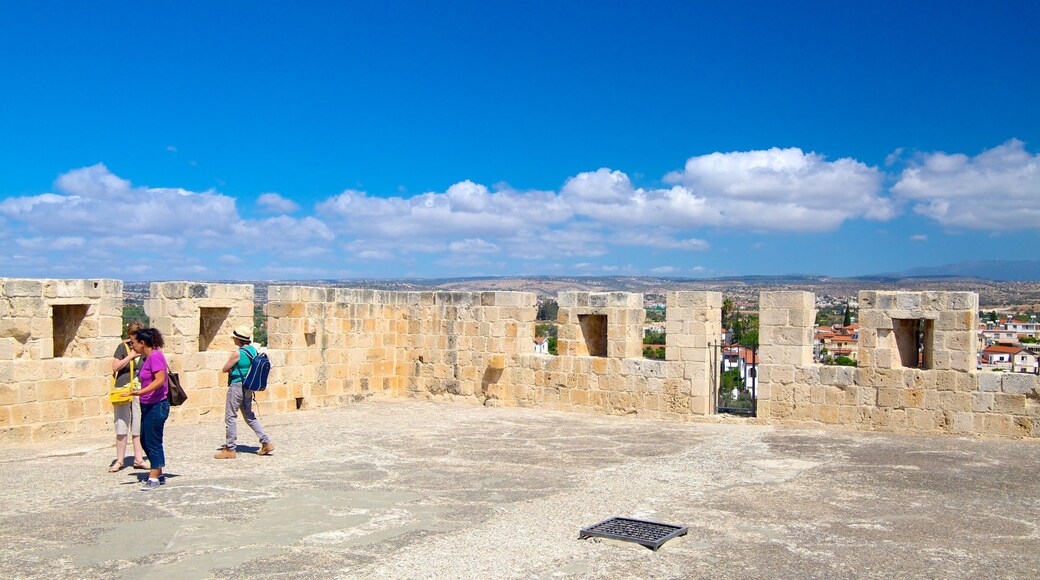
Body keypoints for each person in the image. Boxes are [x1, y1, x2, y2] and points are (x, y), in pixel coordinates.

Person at [215, 325, 274, 459]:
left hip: (237, 386)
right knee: (249, 416)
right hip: (248, 386)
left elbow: (225, 368)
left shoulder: (238, 353)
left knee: (230, 416)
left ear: (238, 339)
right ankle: (266, 442)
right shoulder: (253, 350)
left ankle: (230, 448)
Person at [130, 328, 170, 490]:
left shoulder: (155, 356)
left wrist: (140, 392)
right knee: (145, 439)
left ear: (142, 343)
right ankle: (158, 470)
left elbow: (160, 380)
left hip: (157, 404)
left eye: (133, 343)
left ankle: (154, 476)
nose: (132, 346)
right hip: (147, 403)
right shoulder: (146, 358)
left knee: (153, 440)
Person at [110, 321, 147, 472]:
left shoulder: (145, 348)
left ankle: (139, 458)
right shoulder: (122, 347)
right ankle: (120, 460)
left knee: (137, 425)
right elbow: (115, 367)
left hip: (139, 390)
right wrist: (130, 356)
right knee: (121, 424)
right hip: (123, 390)